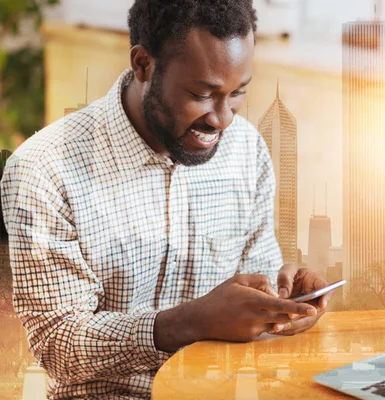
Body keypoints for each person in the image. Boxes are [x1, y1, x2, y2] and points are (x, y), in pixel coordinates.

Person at [0, 0, 332, 398]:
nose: (223, 118)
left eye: (238, 93)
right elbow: (59, 346)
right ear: (143, 64)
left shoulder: (247, 150)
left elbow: (257, 284)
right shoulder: (44, 169)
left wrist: (281, 304)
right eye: (201, 93)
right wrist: (188, 323)